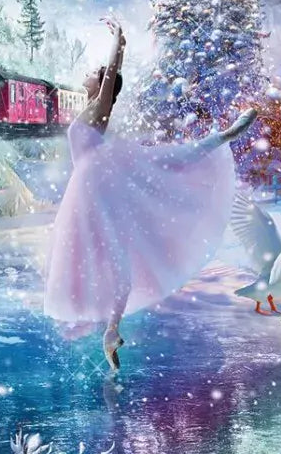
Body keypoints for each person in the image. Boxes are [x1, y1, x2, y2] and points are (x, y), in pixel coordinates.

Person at [43, 22, 256, 370]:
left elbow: (112, 76)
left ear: (103, 84)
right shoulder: (91, 110)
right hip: (91, 187)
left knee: (165, 167)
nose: (89, 74)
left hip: (96, 185)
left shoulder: (99, 108)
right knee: (110, 255)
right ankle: (111, 330)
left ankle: (223, 137)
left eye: (95, 73)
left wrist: (119, 43)